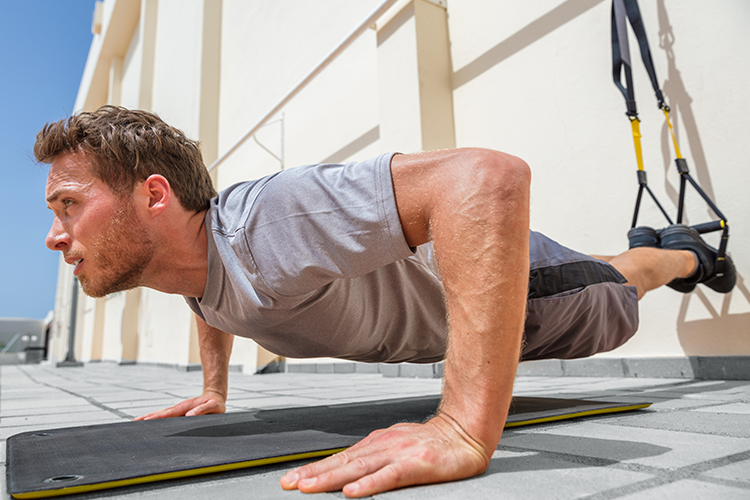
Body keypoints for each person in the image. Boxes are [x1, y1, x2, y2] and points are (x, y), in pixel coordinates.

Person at [37, 106, 734, 498]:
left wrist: (463, 426)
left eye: (69, 205)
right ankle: (647, 248)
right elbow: (207, 301)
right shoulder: (194, 266)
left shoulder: (261, 226)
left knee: (617, 289)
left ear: (154, 196)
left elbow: (485, 177)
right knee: (607, 271)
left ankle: (685, 255)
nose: (52, 235)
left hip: (529, 300)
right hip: (450, 311)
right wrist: (214, 389)